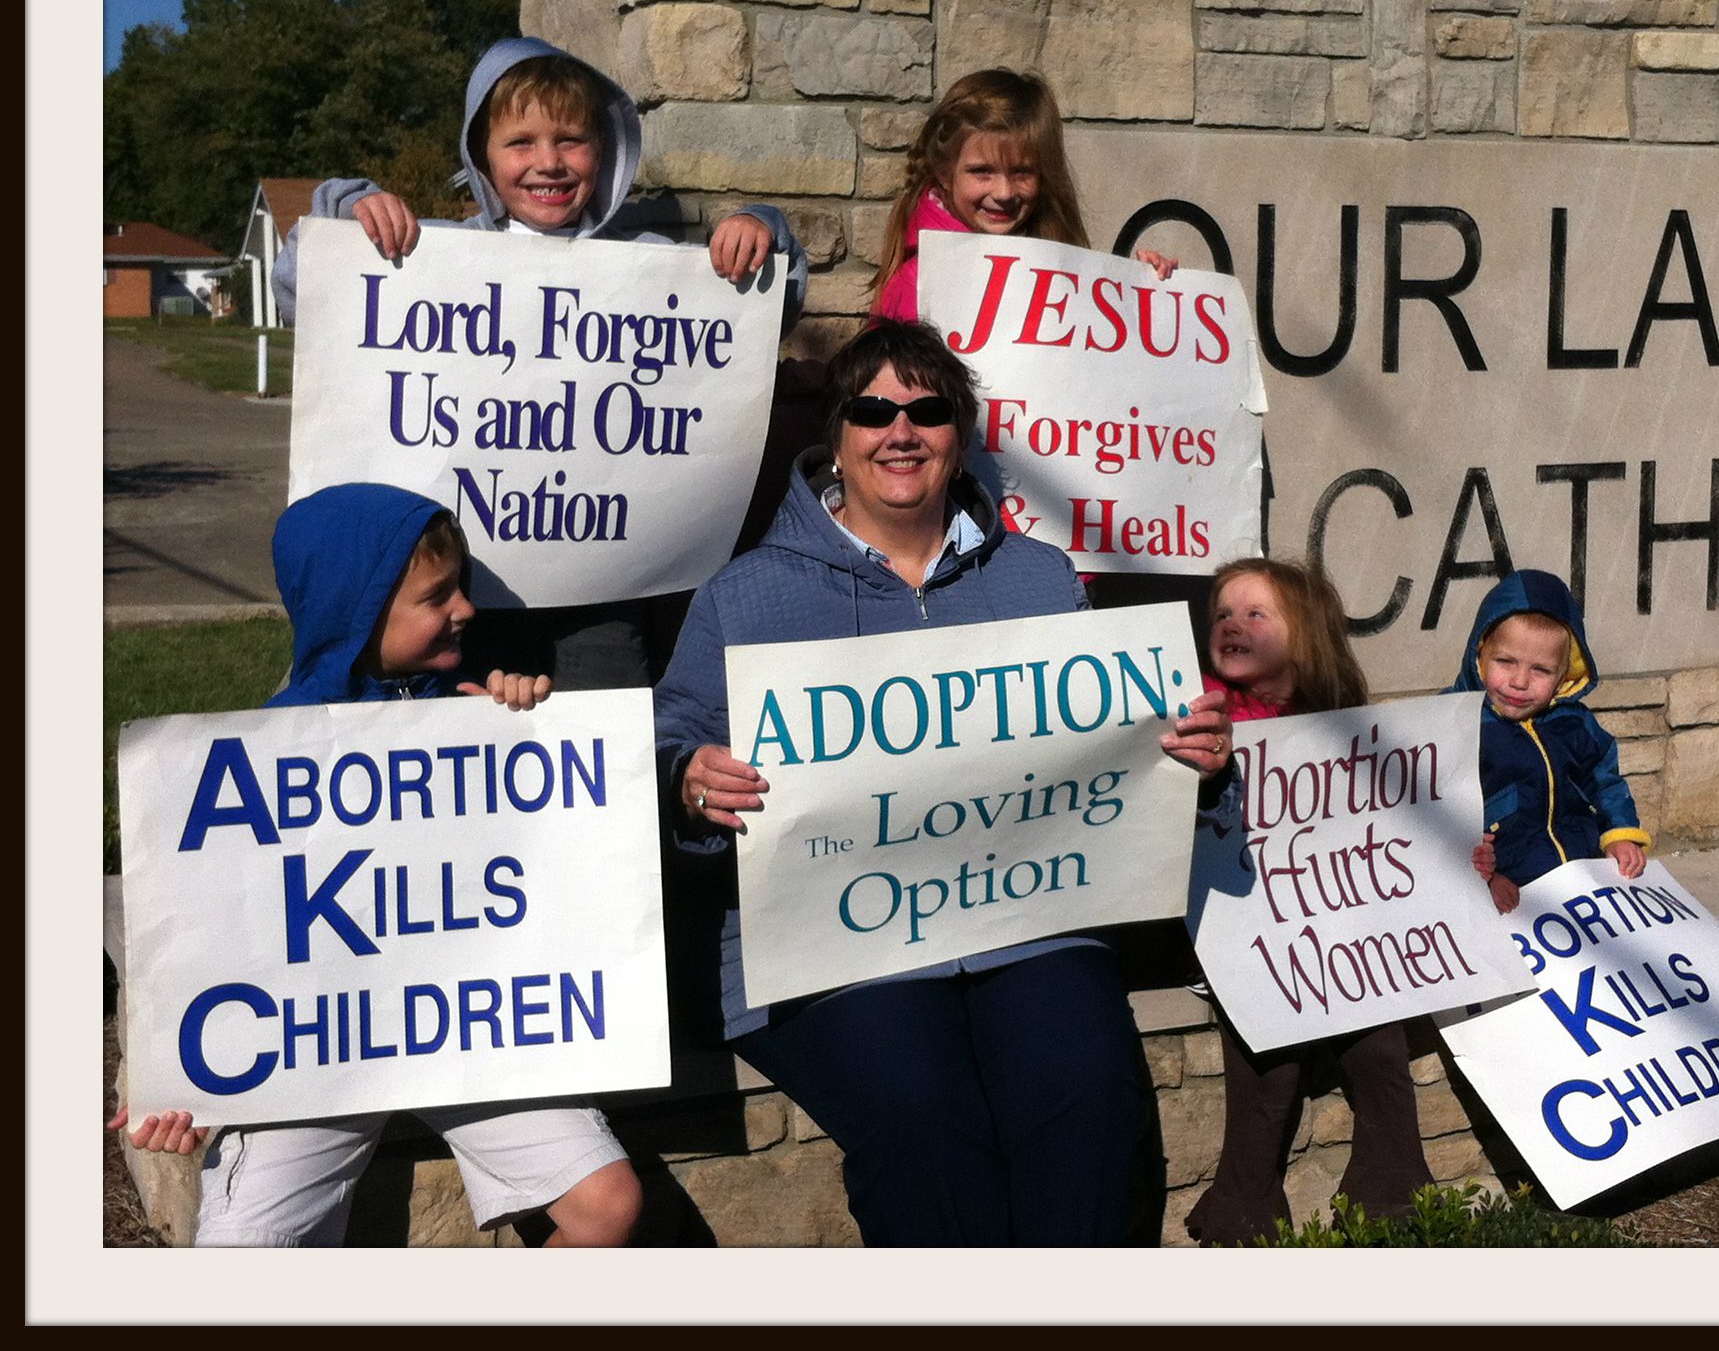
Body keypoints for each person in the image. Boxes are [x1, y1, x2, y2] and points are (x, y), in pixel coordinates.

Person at [652, 319, 1236, 1247]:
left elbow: (1115, 748)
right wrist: (689, 780)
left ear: (959, 436)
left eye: (927, 412)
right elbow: (670, 736)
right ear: (838, 436)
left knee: (1089, 1093)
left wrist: (1193, 762)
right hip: (831, 942)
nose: (901, 431)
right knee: (923, 1122)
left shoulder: (1040, 577)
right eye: (873, 411)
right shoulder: (746, 593)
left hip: (1024, 919)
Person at [110, 482, 644, 1248]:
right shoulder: (260, 753)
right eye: (437, 595)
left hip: (469, 1024)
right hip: (316, 1045)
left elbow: (554, 865)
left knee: (608, 1203)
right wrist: (181, 1077)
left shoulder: (481, 716)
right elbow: (212, 932)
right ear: (356, 611)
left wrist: (530, 727)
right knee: (241, 1250)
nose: (465, 608)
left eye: (460, 586)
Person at [272, 36, 811, 690]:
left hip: (604, 595)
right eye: (520, 142)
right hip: (458, 589)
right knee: (460, 733)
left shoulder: (649, 263)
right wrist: (348, 209)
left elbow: (768, 312)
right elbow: (303, 288)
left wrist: (761, 229)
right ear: (481, 155)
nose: (548, 162)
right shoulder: (430, 253)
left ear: (604, 151)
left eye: (571, 140)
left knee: (607, 736)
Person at [1182, 557, 1435, 1246]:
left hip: (1330, 924)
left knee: (1380, 1038)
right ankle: (1244, 1208)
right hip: (1233, 929)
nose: (1232, 624)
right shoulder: (1199, 712)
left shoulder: (1342, 725)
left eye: (1255, 614)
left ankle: (1392, 1198)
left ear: (1307, 635)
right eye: (1221, 614)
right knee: (1271, 1052)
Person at [867, 66, 1175, 325]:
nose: (1004, 193)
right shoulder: (916, 288)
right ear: (944, 172)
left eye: (1021, 172)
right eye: (981, 171)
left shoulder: (1056, 261)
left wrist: (1141, 289)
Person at [1447, 567, 1652, 914]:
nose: (1519, 681)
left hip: (1580, 879)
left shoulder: (1574, 723)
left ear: (1563, 676)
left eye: (1540, 670)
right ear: (1479, 656)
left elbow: (1605, 783)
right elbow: (1443, 817)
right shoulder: (1458, 724)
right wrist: (1486, 878)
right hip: (1507, 892)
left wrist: (1620, 834)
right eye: (1505, 661)